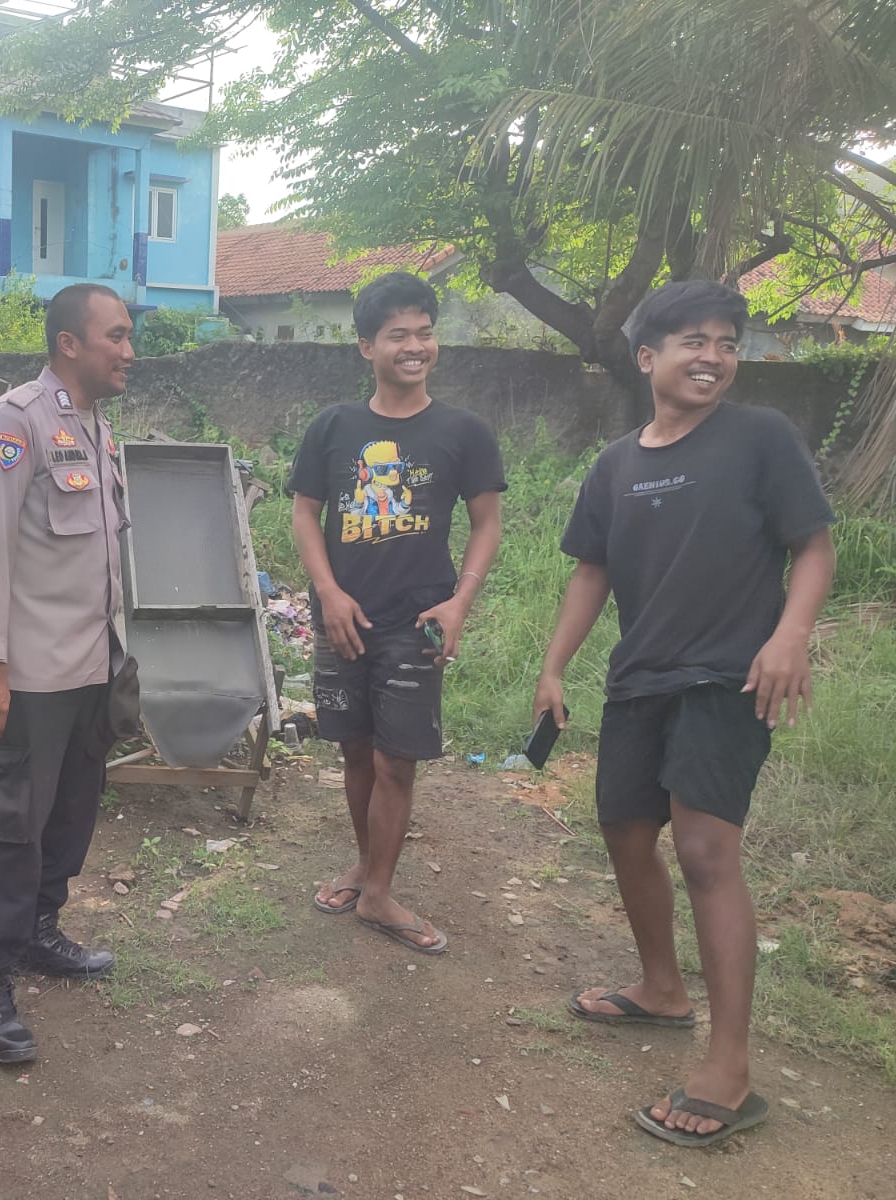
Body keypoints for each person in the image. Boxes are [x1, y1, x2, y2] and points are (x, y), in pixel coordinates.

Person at [533, 280, 836, 1147]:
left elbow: (813, 545)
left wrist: (791, 635)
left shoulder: (759, 438)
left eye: (727, 343)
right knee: (626, 833)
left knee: (705, 850)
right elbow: (592, 570)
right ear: (647, 356)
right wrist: (554, 665)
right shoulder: (616, 464)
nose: (713, 356)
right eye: (694, 341)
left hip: (728, 677)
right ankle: (662, 990)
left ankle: (730, 1067)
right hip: (641, 677)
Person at [289, 272, 506, 954]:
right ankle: (365, 866)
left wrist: (460, 601)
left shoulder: (463, 432)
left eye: (424, 333)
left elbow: (488, 523)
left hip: (417, 622)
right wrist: (327, 592)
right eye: (397, 335)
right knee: (354, 750)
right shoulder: (334, 427)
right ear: (366, 347)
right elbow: (304, 512)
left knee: (396, 761)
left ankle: (379, 893)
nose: (414, 347)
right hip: (344, 619)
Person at [0, 283, 134, 1064]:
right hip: (28, 676)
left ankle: (39, 932)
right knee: (16, 830)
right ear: (70, 343)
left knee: (70, 816)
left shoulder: (95, 427)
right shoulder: (15, 422)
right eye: (115, 336)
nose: (129, 351)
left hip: (90, 664)